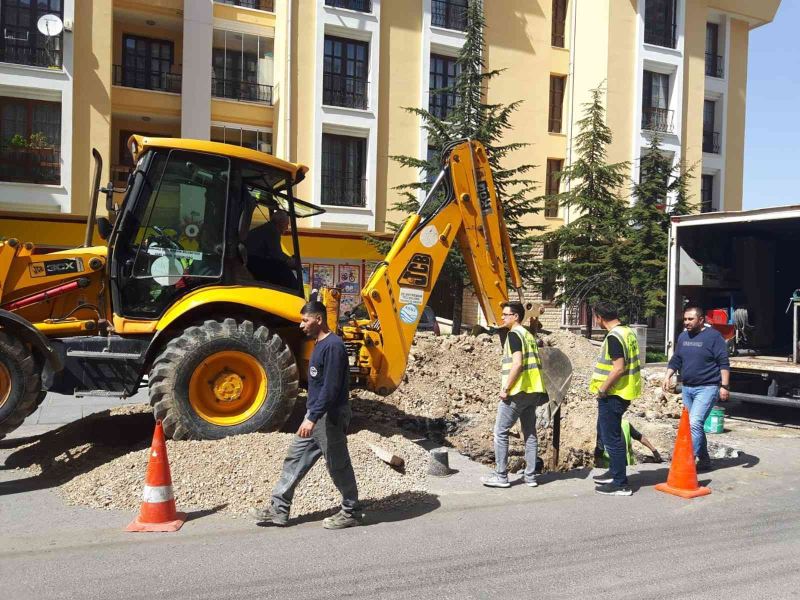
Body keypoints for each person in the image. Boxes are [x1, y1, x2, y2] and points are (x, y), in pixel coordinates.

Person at [249, 300, 360, 529]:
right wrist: (310, 414)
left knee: (338, 466)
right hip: (315, 415)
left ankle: (351, 511)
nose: (301, 325)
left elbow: (331, 388)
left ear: (318, 319)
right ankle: (279, 510)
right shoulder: (319, 344)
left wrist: (312, 417)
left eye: (305, 320)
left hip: (330, 417)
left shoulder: (334, 346)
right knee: (294, 458)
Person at [481, 301, 548, 489]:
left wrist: (506, 389)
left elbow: (517, 364)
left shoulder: (514, 336)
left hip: (517, 391)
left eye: (505, 314)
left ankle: (501, 476)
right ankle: (530, 476)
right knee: (530, 434)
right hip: (533, 391)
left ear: (516, 316)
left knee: (500, 432)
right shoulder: (528, 335)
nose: (502, 318)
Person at [662, 305, 730, 471]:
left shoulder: (714, 337)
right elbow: (676, 359)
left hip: (707, 388)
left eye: (690, 319)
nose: (686, 322)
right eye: (685, 319)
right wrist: (667, 376)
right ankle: (705, 460)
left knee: (694, 423)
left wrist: (725, 386)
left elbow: (723, 362)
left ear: (701, 320)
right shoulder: (683, 337)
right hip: (688, 388)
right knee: (693, 426)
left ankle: (687, 461)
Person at [589, 302, 642, 496]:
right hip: (623, 392)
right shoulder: (627, 332)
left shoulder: (614, 337)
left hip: (613, 394)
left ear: (599, 317)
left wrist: (603, 389)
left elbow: (618, 367)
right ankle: (614, 472)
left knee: (612, 439)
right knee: (610, 435)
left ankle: (620, 483)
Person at [245, 209, 298, 289]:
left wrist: (288, 259)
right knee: (282, 269)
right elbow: (277, 255)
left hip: (251, 260)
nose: (287, 228)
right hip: (254, 262)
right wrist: (290, 262)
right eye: (286, 224)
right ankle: (295, 290)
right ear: (280, 222)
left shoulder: (267, 228)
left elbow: (277, 252)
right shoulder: (272, 231)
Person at [596, 419, 663, 467]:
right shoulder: (603, 427)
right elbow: (599, 449)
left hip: (627, 466)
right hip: (609, 467)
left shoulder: (626, 424)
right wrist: (600, 468)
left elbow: (639, 437)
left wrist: (654, 450)